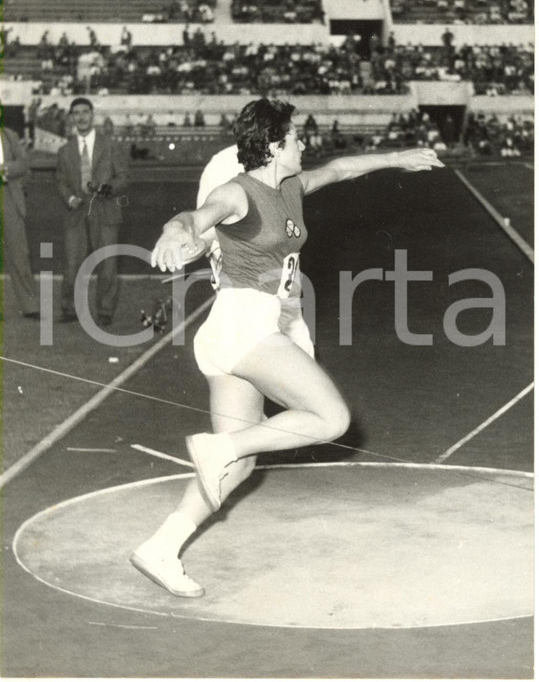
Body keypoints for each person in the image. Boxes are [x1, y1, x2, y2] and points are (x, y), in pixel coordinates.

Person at [130, 98, 443, 597]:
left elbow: (340, 170)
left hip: (243, 329)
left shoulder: (292, 186)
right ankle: (220, 446)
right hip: (242, 324)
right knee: (331, 419)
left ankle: (161, 547)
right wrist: (174, 232)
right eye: (296, 136)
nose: (304, 143)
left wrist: (396, 157)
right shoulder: (239, 192)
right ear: (275, 145)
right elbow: (193, 216)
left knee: (239, 465)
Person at [55, 97, 128, 326]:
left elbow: (124, 176)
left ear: (92, 114)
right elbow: (60, 180)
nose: (81, 117)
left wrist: (109, 188)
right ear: (71, 117)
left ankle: (105, 311)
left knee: (107, 264)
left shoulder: (110, 145)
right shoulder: (65, 149)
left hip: (105, 209)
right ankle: (69, 309)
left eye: (85, 112)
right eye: (76, 113)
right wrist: (70, 197)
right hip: (76, 211)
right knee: (72, 263)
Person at [1, 123, 40, 319]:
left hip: (8, 198)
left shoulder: (10, 135)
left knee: (19, 253)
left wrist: (3, 169)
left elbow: (24, 162)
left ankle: (30, 305)